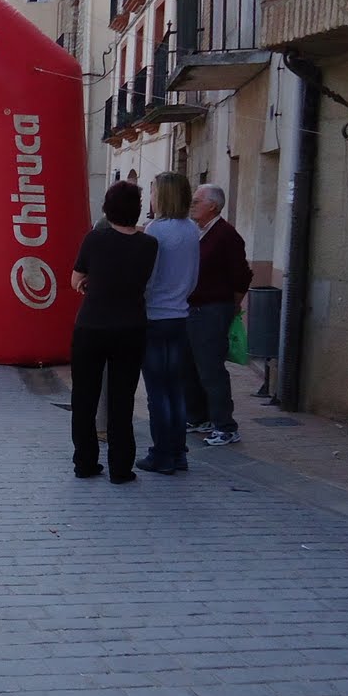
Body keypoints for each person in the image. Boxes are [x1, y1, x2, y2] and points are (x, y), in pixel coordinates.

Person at [69, 181, 158, 484]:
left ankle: (85, 462)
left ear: (108, 209)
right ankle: (121, 468)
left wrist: (91, 282)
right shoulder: (149, 245)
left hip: (91, 326)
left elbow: (75, 280)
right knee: (123, 400)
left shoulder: (94, 239)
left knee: (84, 397)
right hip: (131, 327)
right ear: (137, 209)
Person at [136, 173, 201, 475]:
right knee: (175, 387)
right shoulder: (191, 230)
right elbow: (193, 276)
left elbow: (148, 277)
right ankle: (178, 451)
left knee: (157, 390)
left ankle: (161, 453)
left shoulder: (156, 230)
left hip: (155, 316)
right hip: (179, 316)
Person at [184, 184, 253, 447]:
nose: (192, 204)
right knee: (190, 366)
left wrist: (230, 306)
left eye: (197, 201)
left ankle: (225, 426)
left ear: (213, 206)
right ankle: (198, 417)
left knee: (211, 369)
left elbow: (242, 276)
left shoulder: (226, 235)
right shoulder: (198, 232)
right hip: (193, 309)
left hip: (212, 309)